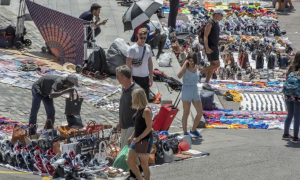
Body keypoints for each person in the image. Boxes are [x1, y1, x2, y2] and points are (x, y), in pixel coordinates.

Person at [127, 88, 153, 180]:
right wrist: (131, 137)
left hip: (145, 139)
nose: (132, 99)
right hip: (137, 138)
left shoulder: (146, 110)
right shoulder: (139, 109)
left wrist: (139, 138)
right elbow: (137, 126)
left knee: (144, 163)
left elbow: (149, 128)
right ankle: (140, 178)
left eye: (133, 97)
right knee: (129, 161)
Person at [177, 52, 203, 137]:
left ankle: (193, 129)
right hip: (187, 89)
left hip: (194, 89)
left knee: (200, 112)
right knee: (186, 112)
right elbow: (179, 76)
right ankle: (185, 131)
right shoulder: (186, 67)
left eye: (193, 61)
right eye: (189, 61)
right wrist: (184, 64)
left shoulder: (196, 67)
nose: (191, 63)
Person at [115, 65, 140, 149]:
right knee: (123, 150)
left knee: (126, 151)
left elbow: (141, 111)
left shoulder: (135, 91)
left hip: (132, 126)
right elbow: (123, 107)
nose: (116, 78)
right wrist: (120, 122)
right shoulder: (124, 89)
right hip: (124, 125)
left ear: (124, 76)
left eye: (117, 76)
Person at [200, 8, 225, 90]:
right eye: (221, 15)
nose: (222, 17)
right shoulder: (210, 23)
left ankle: (206, 83)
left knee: (212, 66)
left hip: (214, 46)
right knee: (217, 65)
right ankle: (199, 73)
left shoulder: (216, 23)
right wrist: (206, 47)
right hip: (210, 47)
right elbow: (205, 36)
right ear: (217, 14)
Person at [127, 28, 153, 101]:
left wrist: (151, 77)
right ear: (137, 36)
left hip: (145, 77)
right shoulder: (133, 49)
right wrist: (130, 77)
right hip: (136, 77)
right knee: (136, 100)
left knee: (145, 100)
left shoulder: (148, 47)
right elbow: (128, 64)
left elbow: (150, 63)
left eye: (145, 38)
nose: (143, 40)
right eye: (141, 38)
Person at [282, 52, 300, 143]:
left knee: (289, 114)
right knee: (297, 116)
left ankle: (286, 134)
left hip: (288, 94)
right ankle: (295, 137)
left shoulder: (291, 68)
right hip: (297, 96)